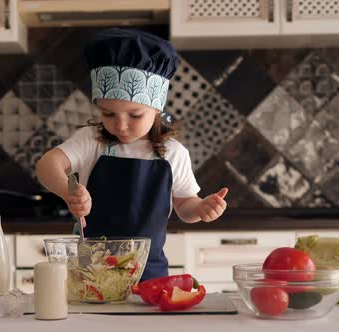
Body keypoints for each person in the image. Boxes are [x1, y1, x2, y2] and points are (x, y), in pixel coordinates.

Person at [35, 28, 228, 281]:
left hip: (150, 274)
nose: (120, 125)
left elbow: (184, 207)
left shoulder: (174, 154)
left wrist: (202, 207)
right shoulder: (91, 141)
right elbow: (46, 165)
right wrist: (67, 190)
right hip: (92, 274)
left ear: (157, 109)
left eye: (135, 115)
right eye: (108, 114)